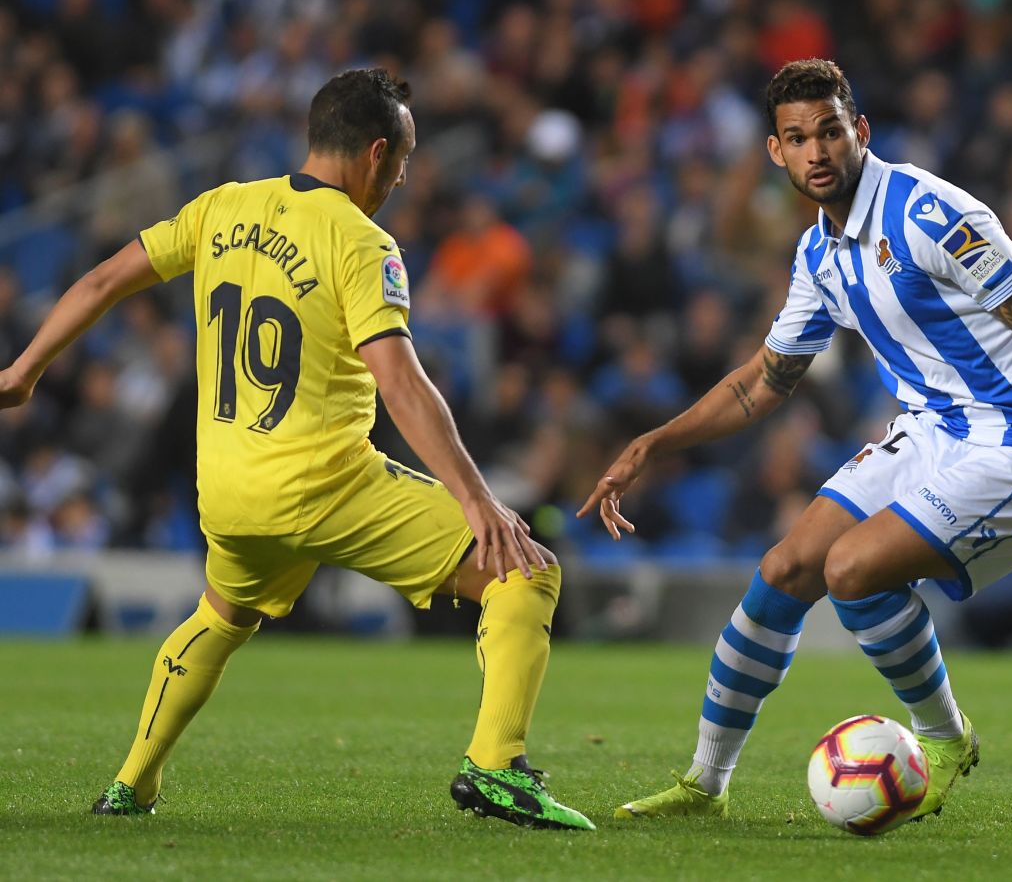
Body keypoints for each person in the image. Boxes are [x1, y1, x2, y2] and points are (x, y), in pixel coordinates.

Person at [579, 59, 1012, 821]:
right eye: (797, 138)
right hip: (935, 432)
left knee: (852, 571)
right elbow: (762, 382)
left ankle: (945, 738)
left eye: (829, 131)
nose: (816, 151)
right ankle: (705, 783)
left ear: (859, 131)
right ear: (775, 152)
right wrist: (652, 444)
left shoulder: (928, 215)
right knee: (782, 571)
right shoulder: (818, 254)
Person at [0, 69, 593, 829]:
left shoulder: (220, 206)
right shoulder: (361, 240)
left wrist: (23, 372)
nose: (402, 180)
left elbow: (101, 281)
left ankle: (130, 786)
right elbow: (401, 382)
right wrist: (478, 500)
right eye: (403, 162)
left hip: (226, 491)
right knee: (526, 571)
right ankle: (496, 767)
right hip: (324, 482)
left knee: (219, 617)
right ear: (376, 152)